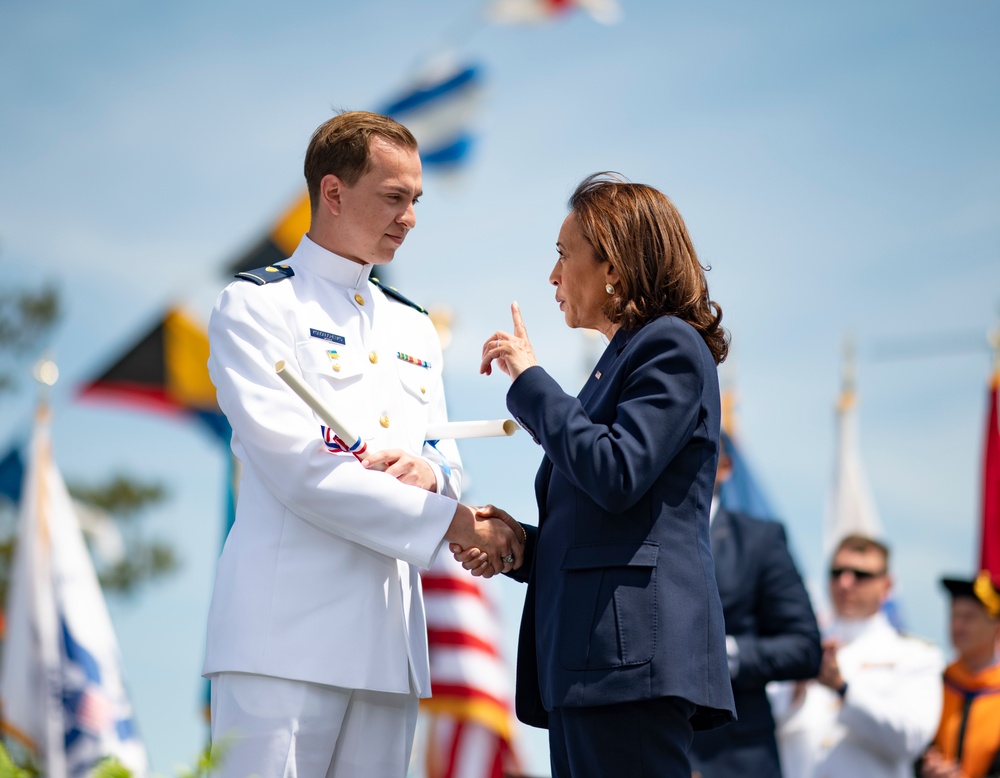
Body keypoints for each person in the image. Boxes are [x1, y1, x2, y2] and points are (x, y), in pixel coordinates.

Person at [202, 111, 522, 778]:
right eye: (393, 197)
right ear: (334, 192)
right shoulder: (256, 309)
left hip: (386, 651)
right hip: (279, 646)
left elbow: (445, 459)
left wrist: (434, 480)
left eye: (416, 201)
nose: (409, 217)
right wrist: (458, 523)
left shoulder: (413, 327)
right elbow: (300, 469)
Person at [454, 172, 737, 777]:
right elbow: (606, 519)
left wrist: (529, 380)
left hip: (629, 665)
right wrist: (520, 547)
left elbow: (615, 471)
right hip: (596, 666)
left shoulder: (670, 346)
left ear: (613, 264)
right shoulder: (622, 360)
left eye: (563, 254)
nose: (553, 276)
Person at [688, 434, 822, 778]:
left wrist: (727, 654)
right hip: (653, 749)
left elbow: (804, 646)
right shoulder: (635, 537)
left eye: (693, 451)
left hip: (736, 756)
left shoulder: (760, 540)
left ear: (726, 467)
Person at [773, 534, 944, 778]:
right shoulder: (801, 644)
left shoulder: (915, 655)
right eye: (836, 572)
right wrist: (797, 688)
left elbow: (911, 739)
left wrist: (843, 689)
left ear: (887, 586)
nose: (845, 583)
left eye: (860, 575)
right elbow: (761, 724)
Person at [917, 572, 1000, 778]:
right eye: (954, 615)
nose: (958, 626)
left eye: (969, 617)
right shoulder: (934, 683)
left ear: (996, 624)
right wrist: (925, 769)